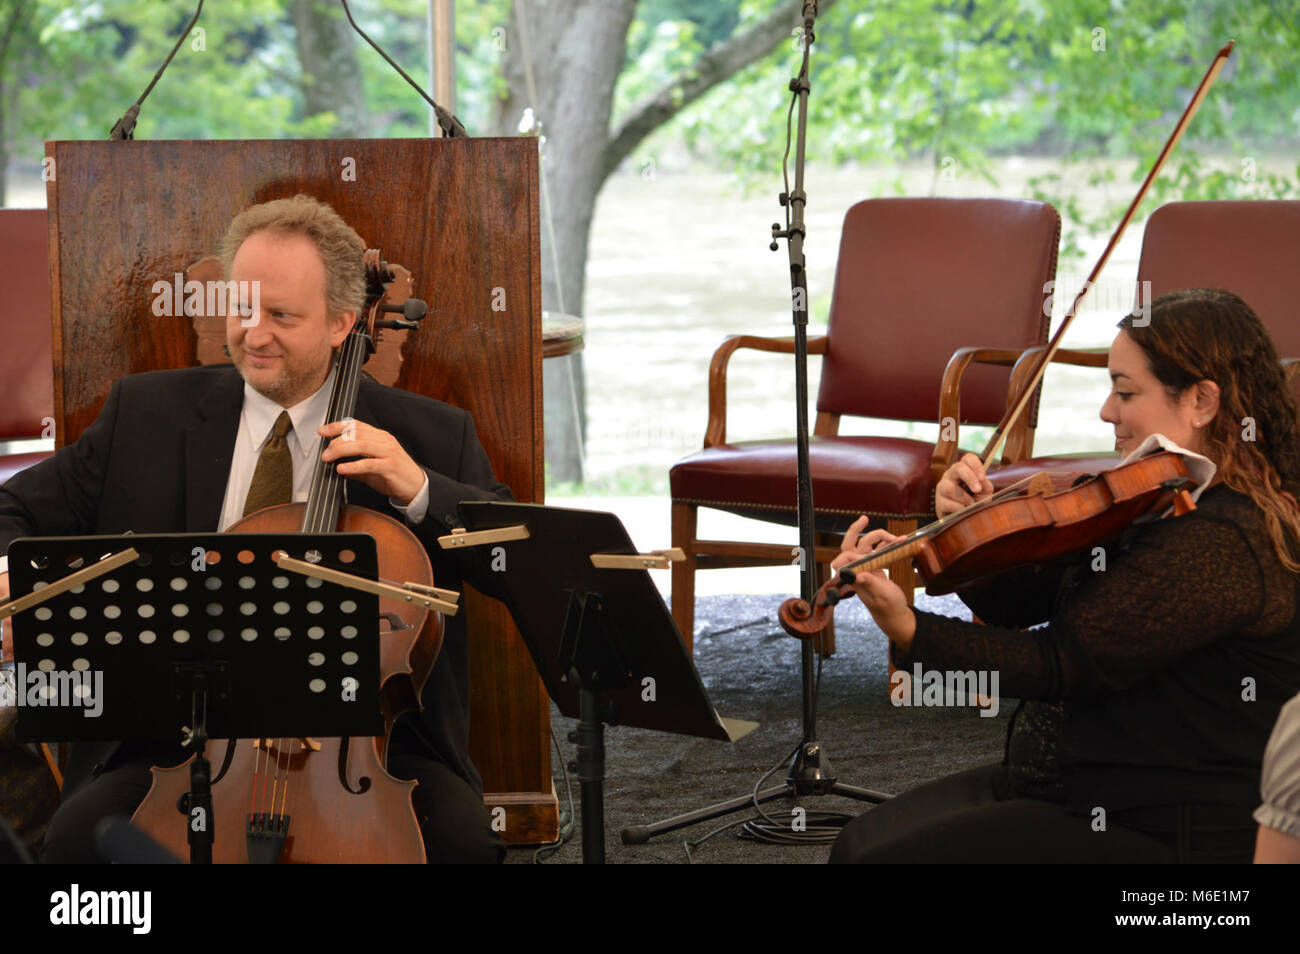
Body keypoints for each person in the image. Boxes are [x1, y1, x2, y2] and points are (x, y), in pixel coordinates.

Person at [0, 194, 512, 863]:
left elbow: (509, 560)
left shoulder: (428, 435)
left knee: (463, 847)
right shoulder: (145, 414)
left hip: (369, 753)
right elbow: (14, 508)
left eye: (281, 315)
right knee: (77, 843)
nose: (253, 332)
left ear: (341, 323)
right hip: (177, 745)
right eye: (242, 308)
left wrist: (418, 490)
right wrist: (14, 579)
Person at [828, 288, 1300, 864]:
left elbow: (1060, 662)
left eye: (1126, 391)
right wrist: (964, 525)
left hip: (1165, 822)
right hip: (1076, 777)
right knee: (857, 845)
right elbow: (1025, 602)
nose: (1107, 411)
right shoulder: (1161, 495)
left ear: (1201, 401)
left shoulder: (1225, 538)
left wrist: (910, 631)